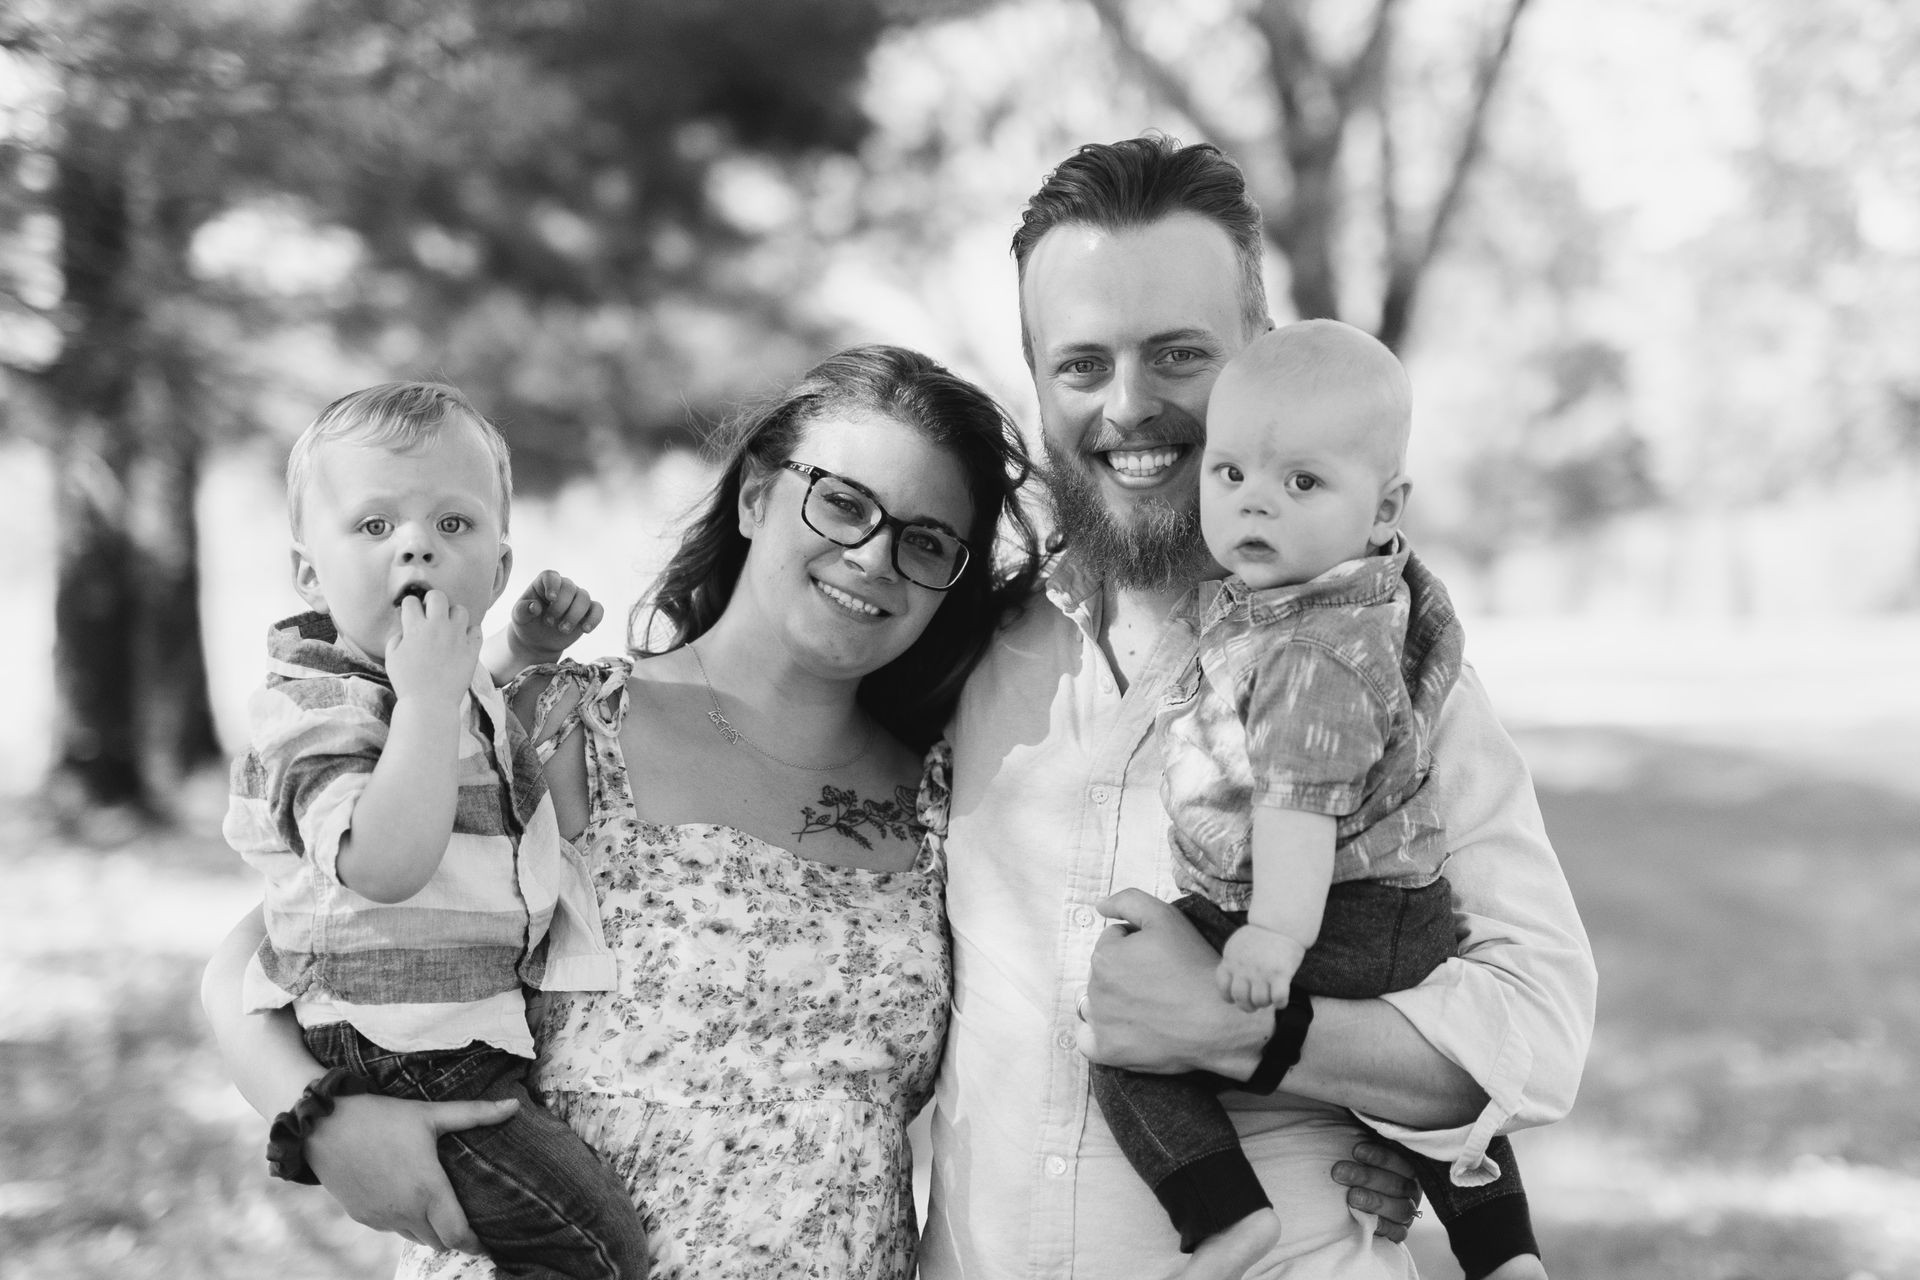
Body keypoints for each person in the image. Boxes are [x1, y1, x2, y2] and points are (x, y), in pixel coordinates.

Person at [202, 345, 1045, 1280]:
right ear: (756, 496)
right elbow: (267, 952)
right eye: (842, 501)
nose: (872, 556)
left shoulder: (944, 805)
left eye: (925, 541)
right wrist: (324, 1123)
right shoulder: (559, 725)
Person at [920, 136, 1594, 1279]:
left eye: (1177, 354)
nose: (1129, 406)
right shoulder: (955, 654)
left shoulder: (1396, 664)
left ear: (1259, 356)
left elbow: (1537, 1020)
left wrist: (1261, 1033)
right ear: (1034, 381)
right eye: (1081, 364)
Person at [1087, 319, 1539, 1280]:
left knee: (1128, 1024)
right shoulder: (1358, 607)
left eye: (1301, 483)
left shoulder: (1312, 647)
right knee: (1426, 1037)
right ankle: (1504, 1251)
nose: (1257, 506)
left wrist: (1272, 940)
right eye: (1233, 474)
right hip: (1393, 921)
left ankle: (1225, 1217)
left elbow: (1295, 807)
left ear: (1384, 510)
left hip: (1319, 912)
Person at [222, 381, 648, 1279]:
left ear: (496, 570)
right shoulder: (317, 707)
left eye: (452, 525)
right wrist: (428, 693)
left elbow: (453, 739)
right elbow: (383, 860)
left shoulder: (425, 688)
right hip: (400, 1045)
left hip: (450, 1033)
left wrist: (518, 653)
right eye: (374, 527)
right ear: (309, 575)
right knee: (594, 1248)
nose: (415, 541)